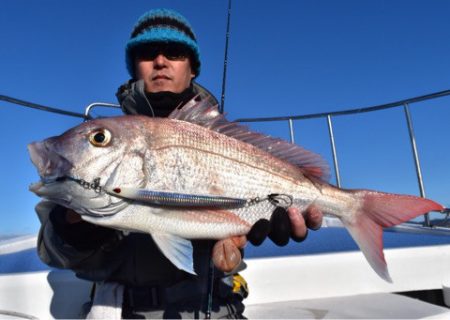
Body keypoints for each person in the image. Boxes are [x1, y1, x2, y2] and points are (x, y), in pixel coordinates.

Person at [36, 8, 323, 319]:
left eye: (175, 52)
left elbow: (238, 223)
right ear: (134, 67)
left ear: (192, 68)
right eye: (147, 53)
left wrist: (237, 242)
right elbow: (51, 251)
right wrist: (71, 226)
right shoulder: (93, 160)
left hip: (214, 306)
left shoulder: (221, 136)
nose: (161, 61)